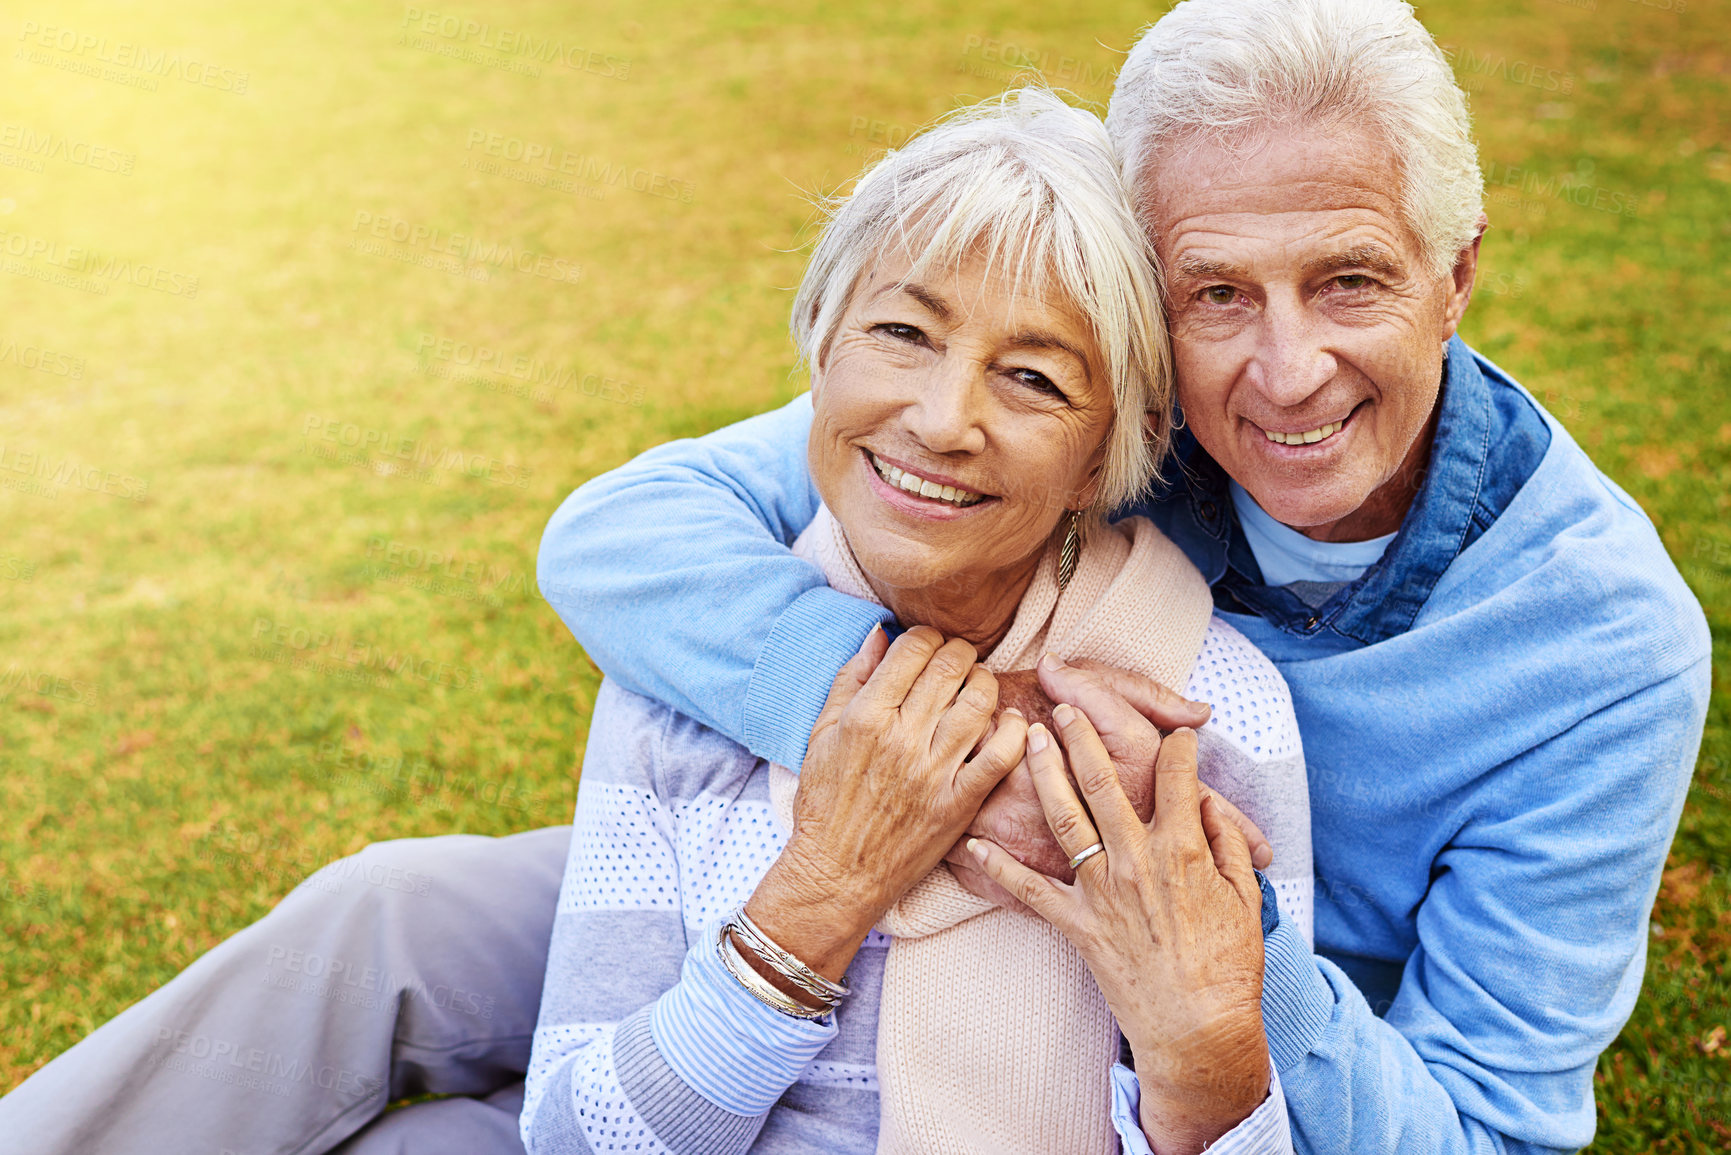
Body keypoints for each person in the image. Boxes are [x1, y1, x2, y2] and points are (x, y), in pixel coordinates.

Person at [0, 90, 1310, 1155]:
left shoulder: (1204, 711)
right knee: (403, 1001)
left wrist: (1203, 1054)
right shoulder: (698, 646)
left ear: (1108, 448)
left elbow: (1265, 1105)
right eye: (899, 336)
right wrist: (816, 895)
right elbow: (582, 1129)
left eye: (1030, 377)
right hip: (682, 1048)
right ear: (814, 354)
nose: (943, 414)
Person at [538, 0, 1711, 1151]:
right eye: (1218, 293)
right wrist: (941, 742)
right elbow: (622, 533)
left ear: (1454, 277)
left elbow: (1482, 1135)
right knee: (382, 929)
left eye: (1350, 280)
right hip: (772, 860)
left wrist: (1193, 907)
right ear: (1144, 319)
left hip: (1257, 1051)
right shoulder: (1056, 413)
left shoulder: (1607, 650)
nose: (1289, 372)